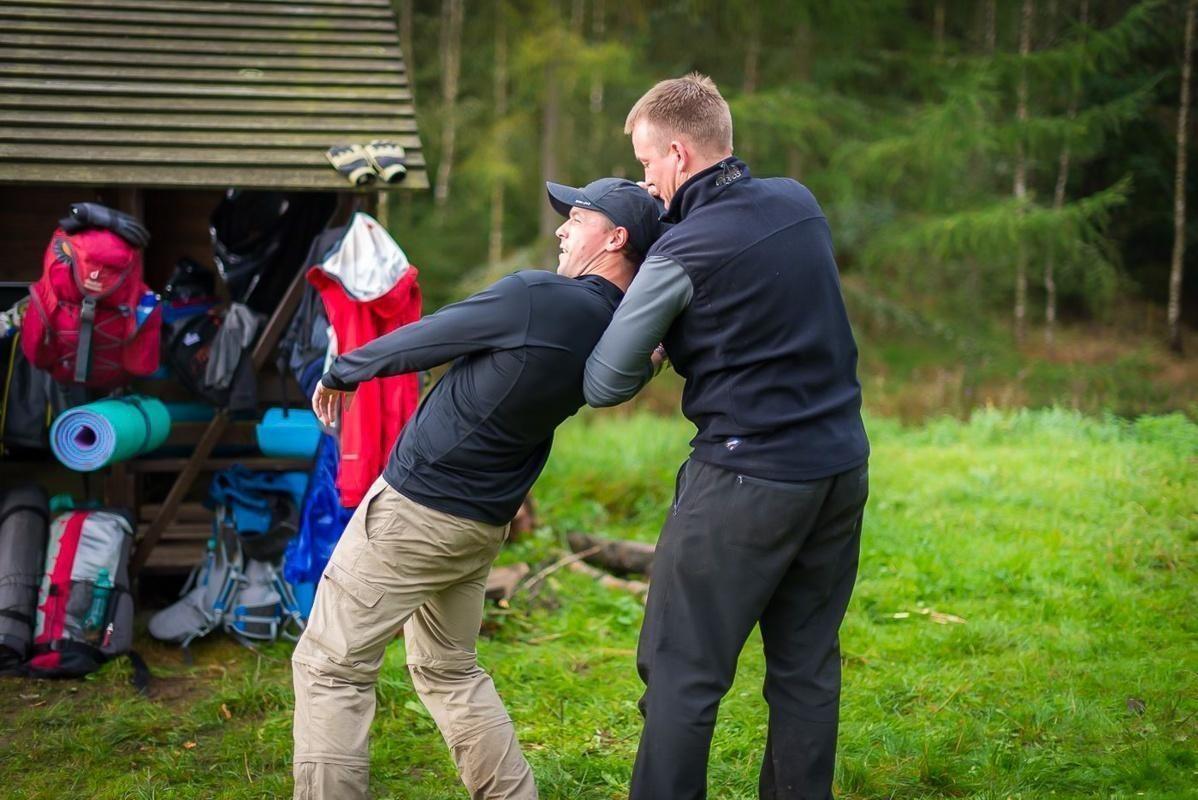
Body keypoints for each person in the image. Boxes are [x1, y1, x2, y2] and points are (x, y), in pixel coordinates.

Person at [293, 177, 662, 800]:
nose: (561, 229)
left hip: (417, 510)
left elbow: (435, 334)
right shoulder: (620, 335)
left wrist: (345, 369)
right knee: (449, 670)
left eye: (578, 218)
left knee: (331, 666)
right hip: (481, 524)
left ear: (615, 238)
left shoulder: (539, 297)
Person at [583, 73, 871, 800]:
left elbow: (605, 381)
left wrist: (656, 340)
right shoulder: (798, 203)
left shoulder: (682, 251)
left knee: (682, 672)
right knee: (806, 668)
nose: (646, 182)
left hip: (744, 481)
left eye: (647, 163)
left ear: (678, 155)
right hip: (838, 466)